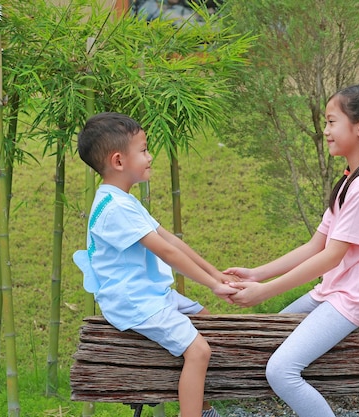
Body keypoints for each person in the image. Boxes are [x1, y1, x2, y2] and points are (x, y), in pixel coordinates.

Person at [225, 85, 359, 417]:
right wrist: (256, 274)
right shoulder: (351, 178)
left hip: (355, 297)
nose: (326, 131)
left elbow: (330, 256)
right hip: (334, 290)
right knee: (273, 333)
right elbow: (314, 245)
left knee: (280, 370)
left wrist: (263, 293)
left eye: (332, 122)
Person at [72, 112, 236, 417]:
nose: (150, 157)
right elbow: (167, 253)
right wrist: (212, 284)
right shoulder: (115, 208)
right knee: (199, 351)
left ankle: (203, 407)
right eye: (144, 150)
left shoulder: (123, 200)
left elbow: (172, 241)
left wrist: (218, 275)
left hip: (148, 293)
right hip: (134, 301)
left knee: (206, 319)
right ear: (119, 161)